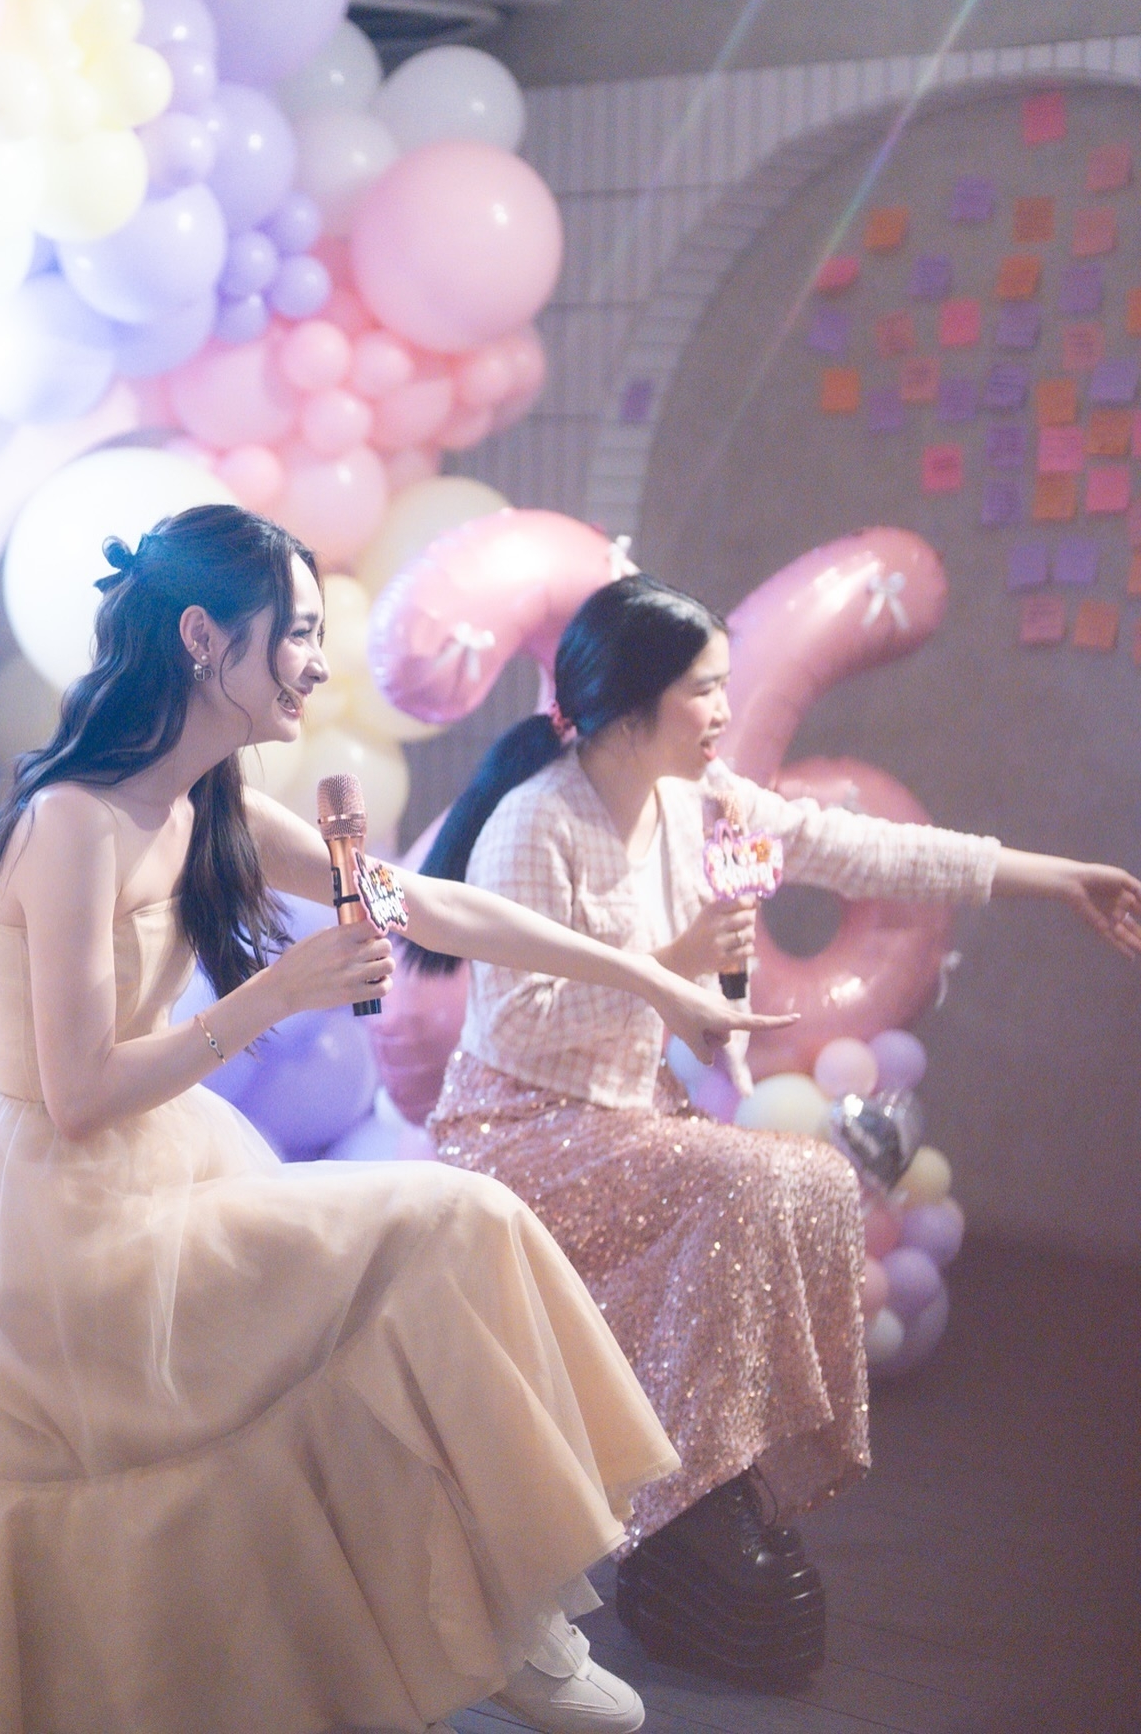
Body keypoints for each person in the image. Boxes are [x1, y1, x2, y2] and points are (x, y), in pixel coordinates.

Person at [0, 510, 790, 1734]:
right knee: (449, 1223)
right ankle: (512, 1614)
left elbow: (427, 905)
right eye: (301, 634)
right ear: (203, 638)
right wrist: (278, 992)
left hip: (166, 1180)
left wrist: (652, 980)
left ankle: (515, 1604)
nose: (320, 665)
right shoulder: (72, 822)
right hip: (71, 1240)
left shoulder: (207, 802)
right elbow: (77, 1094)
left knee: (462, 1227)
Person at [421, 574, 1141, 1683]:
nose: (724, 709)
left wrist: (1056, 880)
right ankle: (684, 1494)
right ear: (630, 704)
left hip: (631, 1121)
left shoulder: (703, 803)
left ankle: (713, 1475)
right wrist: (674, 963)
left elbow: (869, 850)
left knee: (811, 1177)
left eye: (725, 686)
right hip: (518, 1128)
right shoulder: (537, 819)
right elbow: (520, 1020)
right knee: (750, 1181)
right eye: (703, 690)